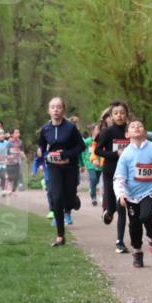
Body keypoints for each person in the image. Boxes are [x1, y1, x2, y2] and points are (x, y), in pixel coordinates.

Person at [114, 119, 152, 268]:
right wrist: (121, 194)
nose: (137, 128)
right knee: (134, 225)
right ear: (127, 134)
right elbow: (119, 178)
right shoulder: (125, 154)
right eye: (133, 126)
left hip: (150, 191)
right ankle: (137, 252)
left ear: (145, 132)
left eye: (140, 126)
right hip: (131, 195)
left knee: (146, 214)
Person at [38, 97, 85, 246]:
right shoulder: (45, 129)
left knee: (69, 199)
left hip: (70, 167)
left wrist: (66, 154)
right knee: (57, 198)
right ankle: (60, 235)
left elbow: (81, 146)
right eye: (53, 107)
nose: (56, 110)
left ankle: (73, 200)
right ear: (49, 110)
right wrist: (46, 156)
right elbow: (41, 148)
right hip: (54, 167)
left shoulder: (70, 128)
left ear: (63, 110)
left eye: (59, 107)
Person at [94, 101, 131, 253]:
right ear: (111, 116)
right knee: (112, 207)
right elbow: (97, 151)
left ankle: (120, 242)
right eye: (116, 113)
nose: (119, 115)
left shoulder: (131, 131)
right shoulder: (107, 133)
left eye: (122, 112)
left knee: (122, 206)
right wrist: (116, 154)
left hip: (126, 174)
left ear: (127, 115)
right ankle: (108, 213)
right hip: (110, 172)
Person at [82, 123, 103, 206]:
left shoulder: (102, 140)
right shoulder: (87, 141)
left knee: (96, 181)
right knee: (93, 179)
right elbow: (82, 150)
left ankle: (92, 189)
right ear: (92, 131)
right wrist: (83, 162)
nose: (99, 131)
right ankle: (93, 197)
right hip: (90, 163)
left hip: (100, 164)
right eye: (97, 130)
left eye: (100, 130)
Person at [6, 128, 24, 195]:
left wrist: (22, 154)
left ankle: (13, 191)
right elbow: (6, 152)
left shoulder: (20, 142)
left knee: (17, 176)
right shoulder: (9, 142)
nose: (18, 134)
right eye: (16, 132)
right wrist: (10, 156)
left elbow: (22, 150)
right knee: (10, 176)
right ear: (12, 134)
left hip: (17, 161)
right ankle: (9, 188)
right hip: (9, 162)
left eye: (18, 132)